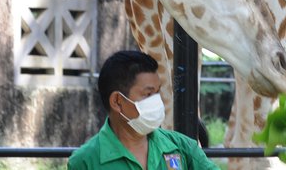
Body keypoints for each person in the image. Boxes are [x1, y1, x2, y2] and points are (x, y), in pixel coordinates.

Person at [68, 50, 218, 170]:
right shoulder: (86, 161)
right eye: (148, 94)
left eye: (157, 92)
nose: (157, 101)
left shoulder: (182, 147)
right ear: (117, 102)